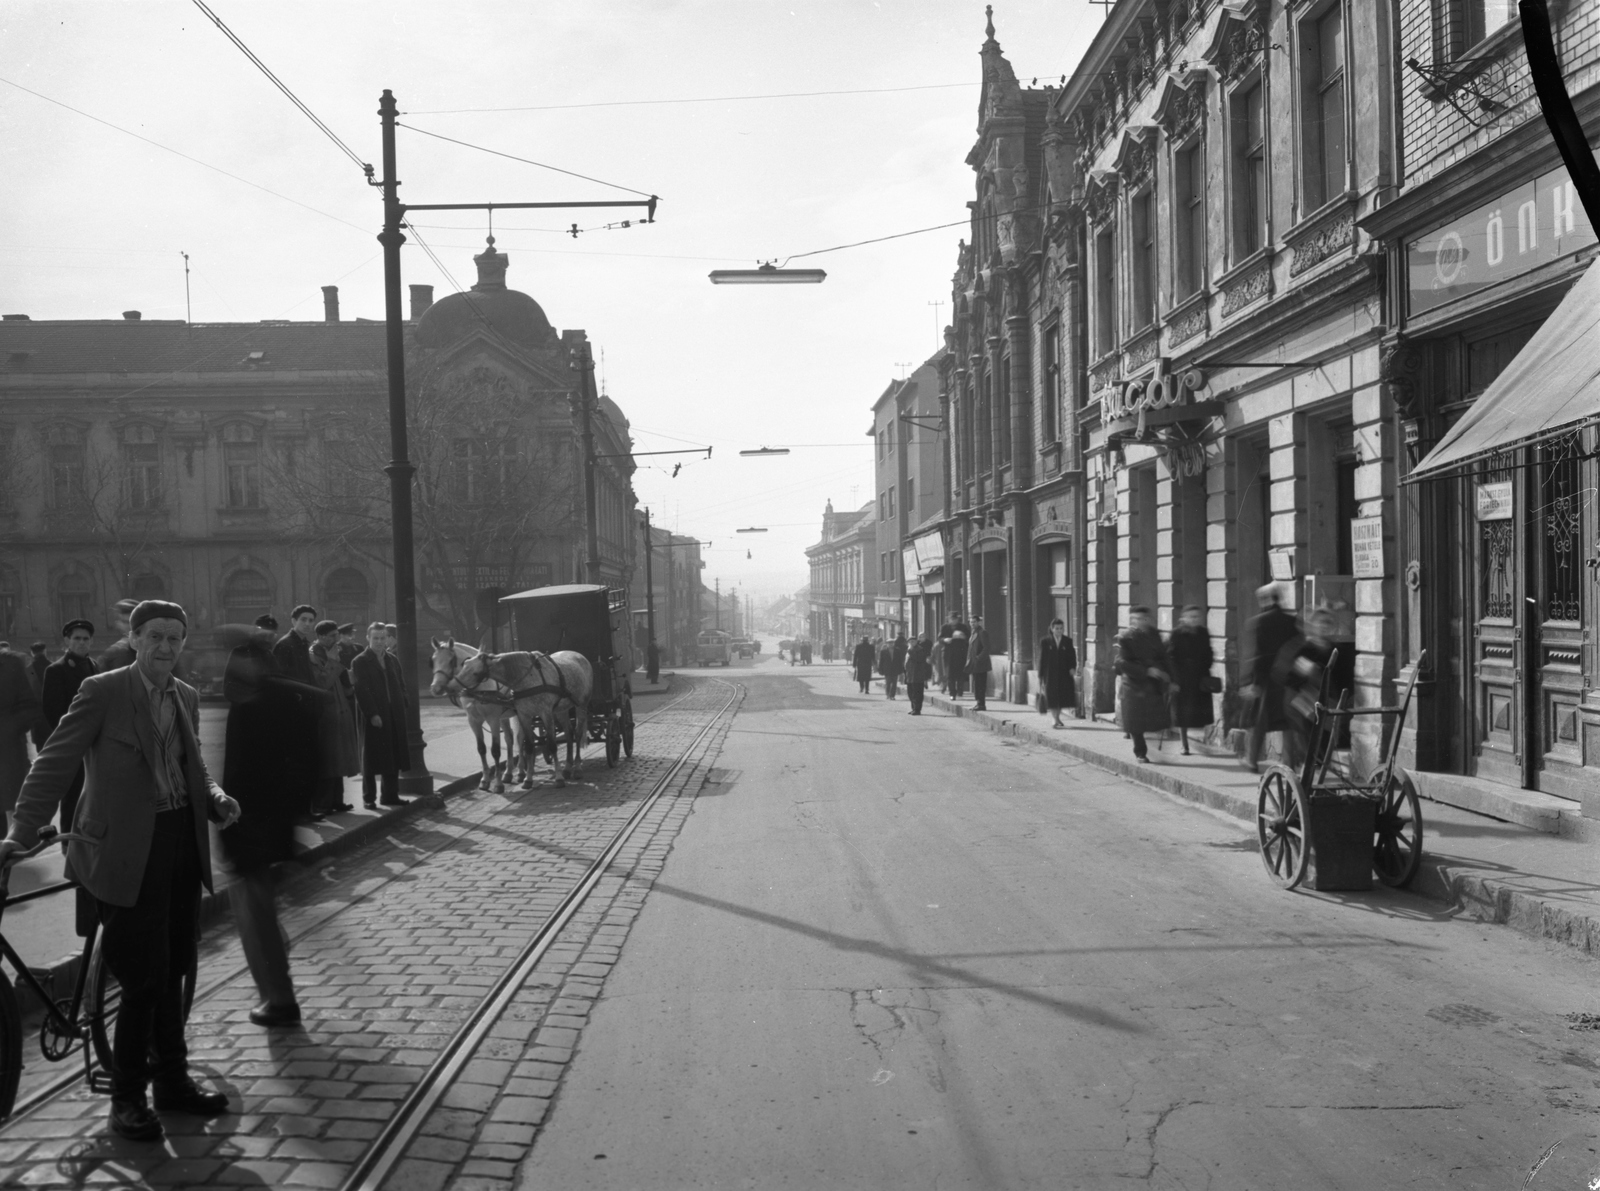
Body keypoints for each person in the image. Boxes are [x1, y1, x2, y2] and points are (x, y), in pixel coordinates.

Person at [0, 600, 241, 1141]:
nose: (165, 647)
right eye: (154, 636)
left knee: (175, 965)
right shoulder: (102, 691)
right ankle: (127, 1098)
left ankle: (173, 1082)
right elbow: (55, 762)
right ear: (133, 639)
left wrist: (217, 796)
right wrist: (21, 832)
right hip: (122, 853)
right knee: (143, 978)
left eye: (175, 638)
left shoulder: (185, 696)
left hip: (179, 845)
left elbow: (193, 764)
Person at [221, 616, 321, 1028]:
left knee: (255, 920)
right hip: (277, 831)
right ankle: (276, 987)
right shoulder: (291, 698)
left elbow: (239, 776)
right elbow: (309, 766)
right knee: (260, 918)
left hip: (252, 834)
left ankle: (278, 999)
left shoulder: (250, 706)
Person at [39, 619, 98, 833]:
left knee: (93, 794)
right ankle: (68, 843)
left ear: (91, 641)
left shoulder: (94, 666)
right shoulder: (56, 670)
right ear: (67, 641)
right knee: (73, 795)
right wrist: (75, 736)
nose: (82, 643)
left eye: (86, 639)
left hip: (95, 744)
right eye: (77, 639)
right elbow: (53, 711)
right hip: (73, 745)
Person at [352, 622, 411, 808]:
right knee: (371, 757)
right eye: (375, 638)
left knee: (393, 755)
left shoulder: (392, 659)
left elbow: (401, 684)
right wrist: (372, 714)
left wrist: (404, 703)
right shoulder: (360, 661)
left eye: (382, 638)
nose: (379, 642)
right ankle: (369, 798)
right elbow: (362, 690)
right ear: (368, 639)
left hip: (394, 714)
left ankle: (390, 796)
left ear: (387, 639)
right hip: (375, 715)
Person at [1244, 584, 1300, 773]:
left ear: (1267, 599)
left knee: (1259, 722)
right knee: (1288, 723)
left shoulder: (1258, 621)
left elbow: (1257, 654)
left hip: (1265, 679)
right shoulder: (1292, 621)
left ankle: (1252, 760)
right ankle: (1289, 763)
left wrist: (1251, 681)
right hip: (1286, 679)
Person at [1276, 608, 1339, 771]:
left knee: (1323, 738)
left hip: (1323, 703)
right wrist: (1302, 672)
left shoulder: (1334, 649)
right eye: (1320, 623)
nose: (1324, 627)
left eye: (1328, 623)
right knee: (1306, 737)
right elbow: (1282, 674)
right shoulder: (1301, 646)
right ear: (1312, 625)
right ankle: (1306, 771)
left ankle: (1317, 770)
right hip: (1300, 701)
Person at [310, 620, 358, 816]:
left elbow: (341, 683)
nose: (336, 640)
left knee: (339, 760)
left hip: (340, 711)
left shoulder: (333, 652)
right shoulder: (313, 655)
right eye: (331, 636)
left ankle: (338, 800)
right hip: (327, 714)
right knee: (329, 761)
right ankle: (323, 804)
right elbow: (321, 683)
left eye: (336, 635)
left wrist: (351, 684)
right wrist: (333, 661)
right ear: (321, 637)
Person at [1115, 606, 1170, 763]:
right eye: (1135, 619)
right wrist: (1147, 670)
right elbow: (1123, 663)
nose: (1138, 622)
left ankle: (1149, 748)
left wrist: (1169, 676)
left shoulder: (1154, 635)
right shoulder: (1126, 637)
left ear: (1148, 619)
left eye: (1141, 619)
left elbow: (1164, 657)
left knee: (1154, 718)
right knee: (1135, 721)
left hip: (1151, 684)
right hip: (1132, 684)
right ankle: (1140, 752)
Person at [0, 645, 40, 827]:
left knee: (10, 805)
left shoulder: (10, 664)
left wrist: (7, 729)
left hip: (7, 748)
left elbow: (29, 705)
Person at [1167, 605, 1215, 756]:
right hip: (1183, 678)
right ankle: (1184, 744)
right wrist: (1174, 680)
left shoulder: (1203, 632)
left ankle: (1204, 744)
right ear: (1184, 618)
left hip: (1200, 676)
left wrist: (1207, 664)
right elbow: (1170, 657)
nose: (1195, 619)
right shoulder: (1177, 634)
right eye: (1191, 617)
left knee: (1201, 711)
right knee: (1183, 713)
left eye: (1197, 617)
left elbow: (1209, 652)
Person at [1037, 617, 1078, 728]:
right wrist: (1041, 675)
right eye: (1057, 628)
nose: (1059, 631)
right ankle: (1054, 719)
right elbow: (1042, 659)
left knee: (1061, 697)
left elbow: (1072, 657)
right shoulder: (1045, 641)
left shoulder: (1067, 641)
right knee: (1053, 697)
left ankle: (1057, 717)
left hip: (1064, 674)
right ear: (1052, 629)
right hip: (1050, 675)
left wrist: (1072, 667)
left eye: (1061, 628)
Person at [97, 598, 140, 672]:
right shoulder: (114, 653)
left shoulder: (152, 648)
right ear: (118, 624)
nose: (129, 626)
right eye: (125, 622)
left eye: (132, 622)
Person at [941, 613, 970, 700]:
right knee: (950, 674)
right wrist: (945, 639)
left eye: (955, 619)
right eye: (951, 619)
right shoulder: (945, 627)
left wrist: (963, 637)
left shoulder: (963, 627)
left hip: (960, 654)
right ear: (948, 619)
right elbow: (940, 638)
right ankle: (952, 693)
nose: (953, 621)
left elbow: (969, 638)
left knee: (961, 673)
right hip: (949, 654)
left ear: (958, 619)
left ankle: (960, 691)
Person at [904, 632, 933, 715]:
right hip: (910, 675)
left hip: (917, 675)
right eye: (910, 642)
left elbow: (918, 659)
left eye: (913, 641)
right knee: (910, 693)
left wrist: (910, 651)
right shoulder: (909, 650)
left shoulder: (919, 649)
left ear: (916, 642)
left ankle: (917, 709)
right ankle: (913, 708)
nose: (911, 643)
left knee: (917, 693)